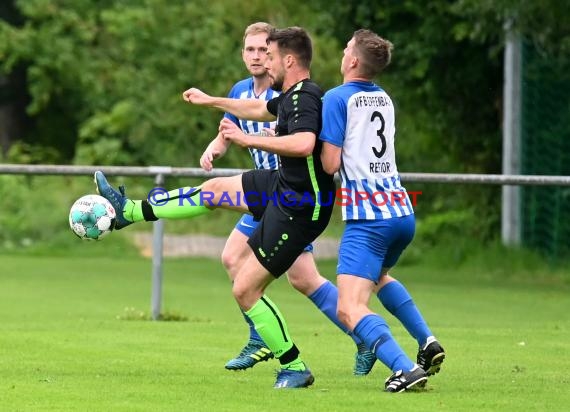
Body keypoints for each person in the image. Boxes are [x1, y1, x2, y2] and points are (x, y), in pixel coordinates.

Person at [94, 27, 330, 389]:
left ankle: (295, 365)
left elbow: (303, 143)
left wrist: (245, 138)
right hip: (283, 189)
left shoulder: (305, 97)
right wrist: (210, 101)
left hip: (299, 205)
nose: (264, 62)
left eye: (269, 55)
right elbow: (255, 108)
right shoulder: (289, 95)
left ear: (289, 60)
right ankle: (129, 212)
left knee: (246, 290)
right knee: (214, 190)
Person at [199, 22, 376, 375]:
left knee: (302, 279)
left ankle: (359, 335)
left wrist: (255, 138)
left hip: (288, 196)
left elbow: (301, 141)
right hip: (262, 195)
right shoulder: (241, 90)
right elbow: (229, 127)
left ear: (278, 56)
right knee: (234, 258)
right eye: (250, 50)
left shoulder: (294, 94)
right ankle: (262, 337)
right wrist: (214, 147)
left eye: (264, 51)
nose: (257, 57)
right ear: (242, 53)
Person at [320, 29, 446, 392]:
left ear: (354, 61)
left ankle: (405, 368)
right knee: (376, 280)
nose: (343, 53)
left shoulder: (336, 98)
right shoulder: (384, 99)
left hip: (369, 220)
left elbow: (330, 164)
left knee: (349, 307)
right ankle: (427, 342)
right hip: (401, 211)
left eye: (346, 49)